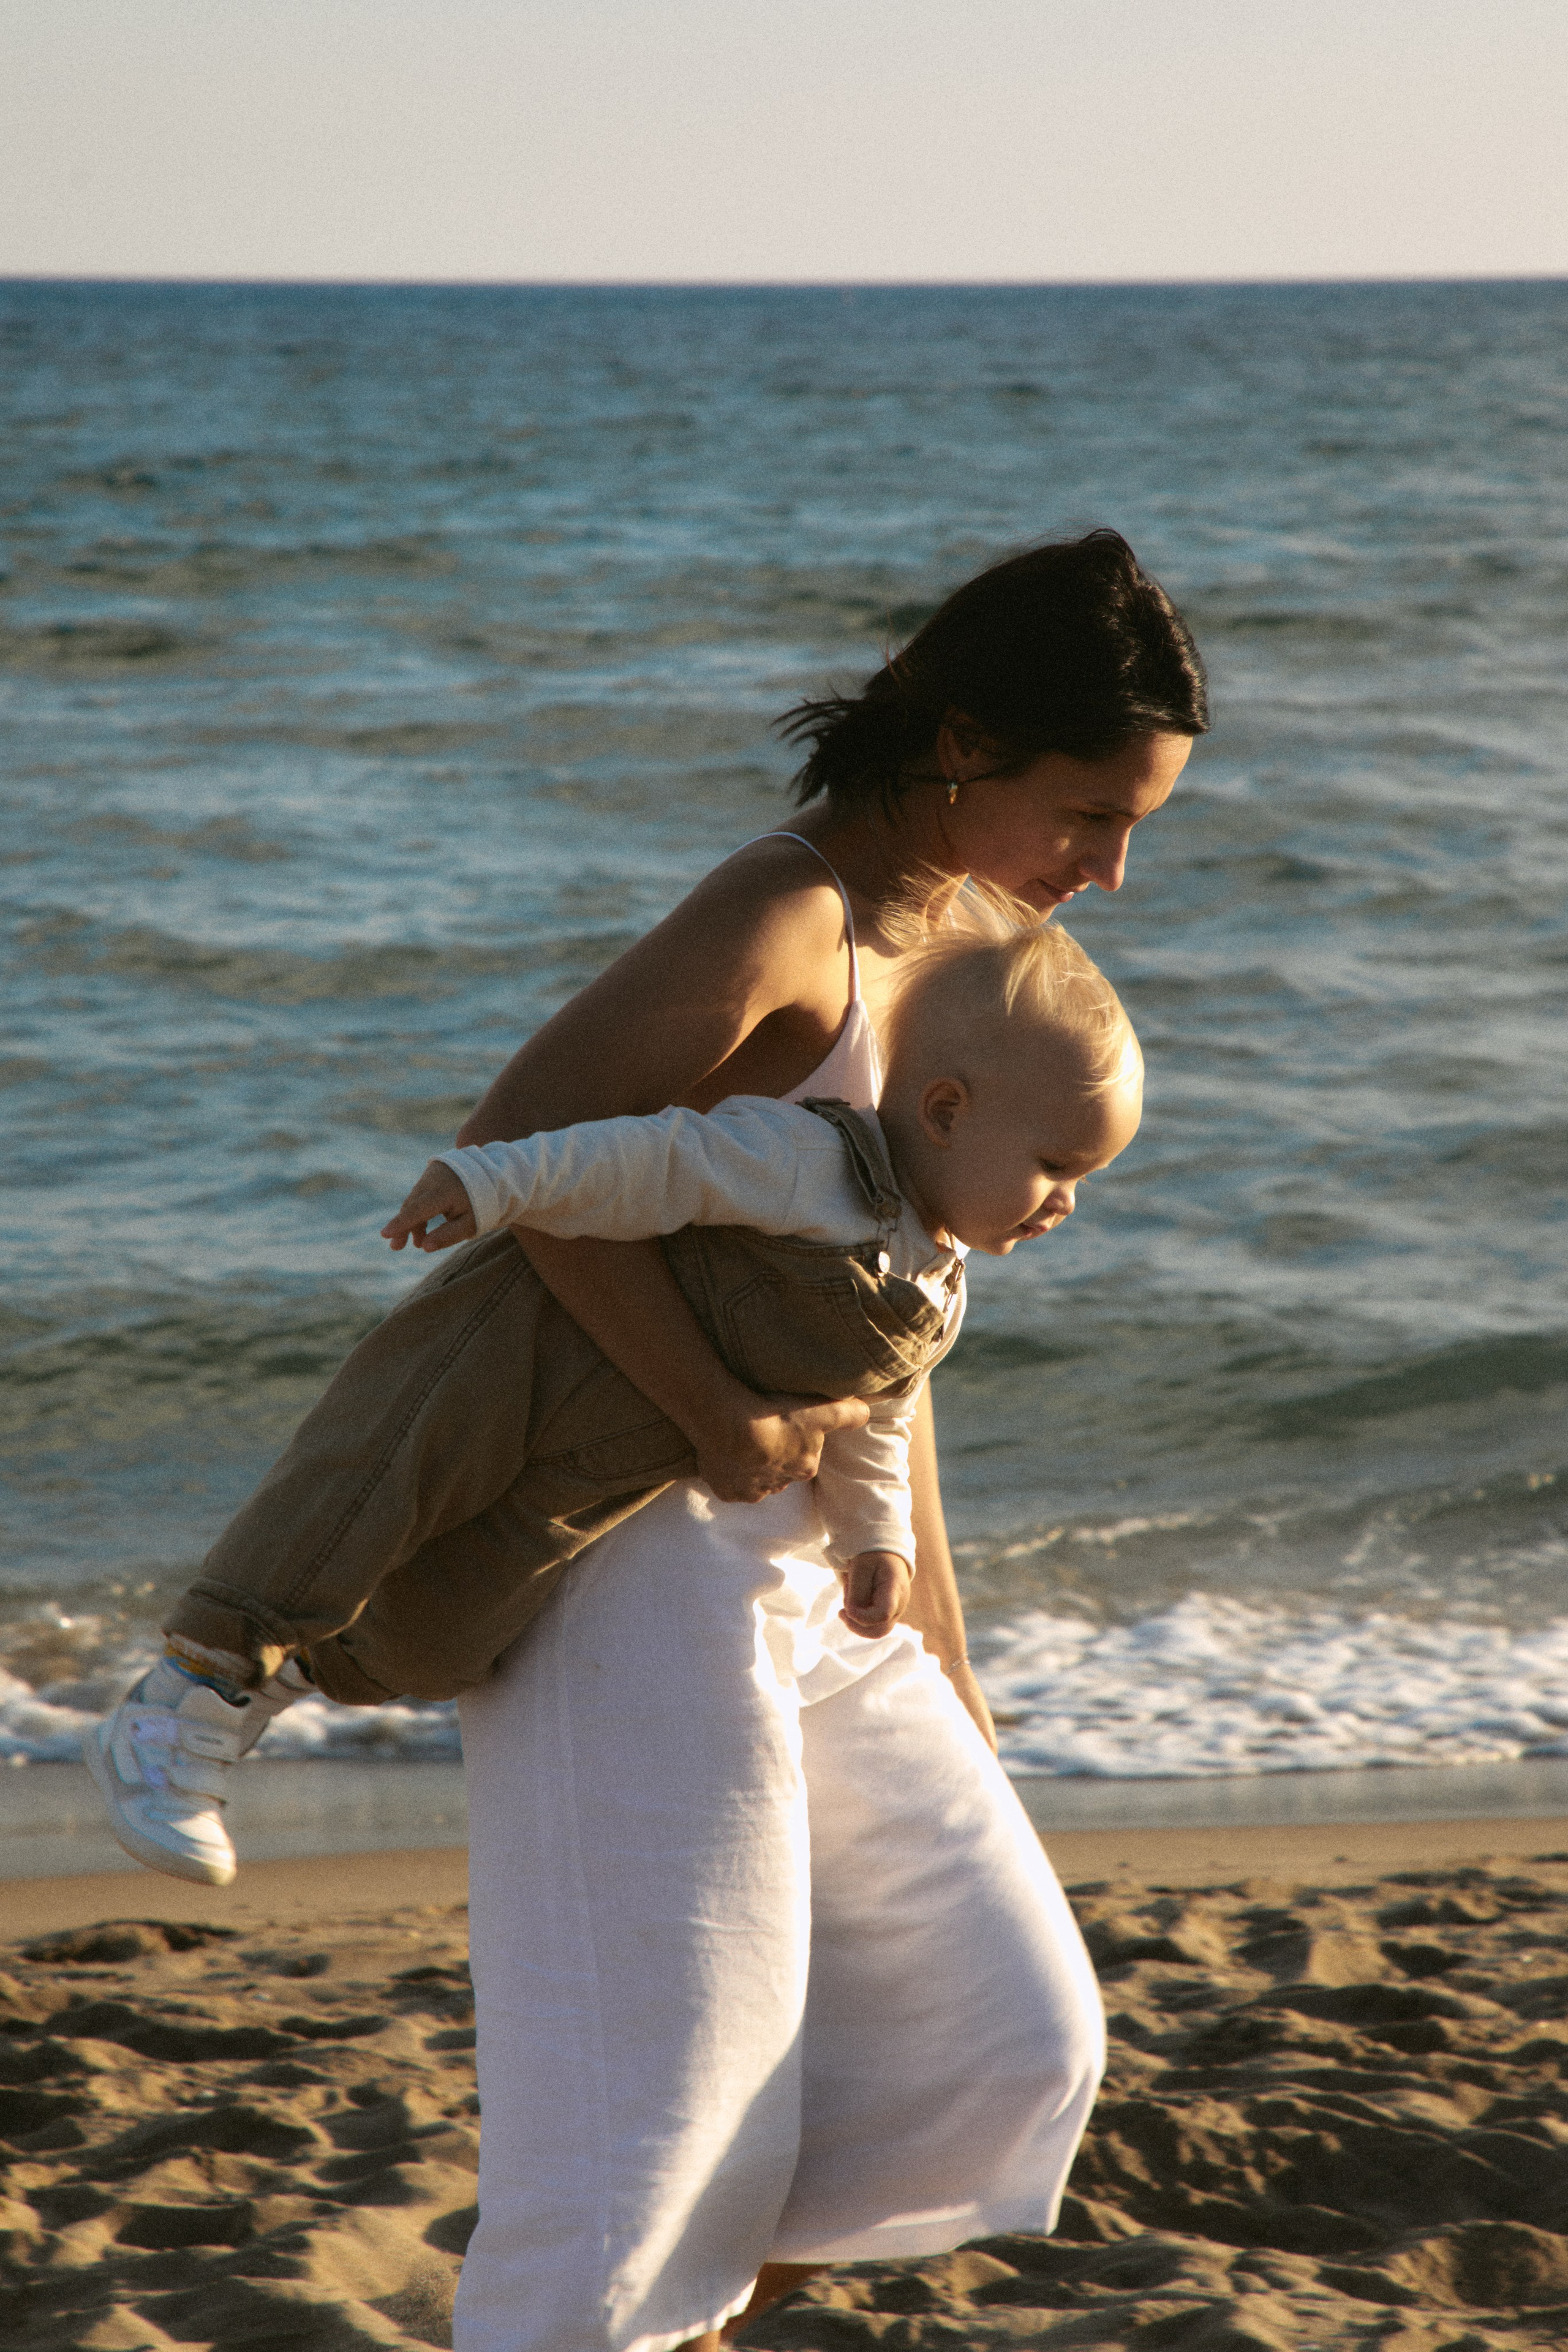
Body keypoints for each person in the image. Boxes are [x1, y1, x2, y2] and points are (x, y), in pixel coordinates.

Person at [151, 529, 1214, 2352]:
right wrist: (718, 1414)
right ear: (965, 740)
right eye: (1090, 815)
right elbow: (524, 1161)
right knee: (643, 2164)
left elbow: (894, 1338)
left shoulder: (981, 949)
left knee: (1002, 2045)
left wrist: (939, 1637)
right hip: (633, 1584)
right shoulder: (784, 916)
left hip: (823, 1593)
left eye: (1134, 828)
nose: (1109, 870)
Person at [89, 905, 1143, 1888]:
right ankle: (189, 1692)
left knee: (443, 1641)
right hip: (530, 1343)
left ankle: (290, 1675)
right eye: (1056, 1165)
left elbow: (878, 1415)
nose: (1068, 1203)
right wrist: (492, 1181)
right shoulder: (808, 1162)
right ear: (947, 1112)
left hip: (610, 1457)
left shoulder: (938, 1287)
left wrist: (879, 1540)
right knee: (371, 1483)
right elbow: (645, 1161)